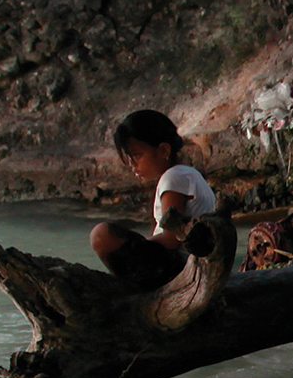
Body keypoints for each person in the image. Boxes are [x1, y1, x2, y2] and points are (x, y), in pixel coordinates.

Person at [89, 110, 218, 290]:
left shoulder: (173, 177)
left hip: (183, 269)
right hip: (194, 265)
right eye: (129, 157)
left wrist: (137, 246)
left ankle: (131, 289)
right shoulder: (186, 173)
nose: (132, 164)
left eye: (137, 155)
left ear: (164, 150)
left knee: (101, 235)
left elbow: (172, 239)